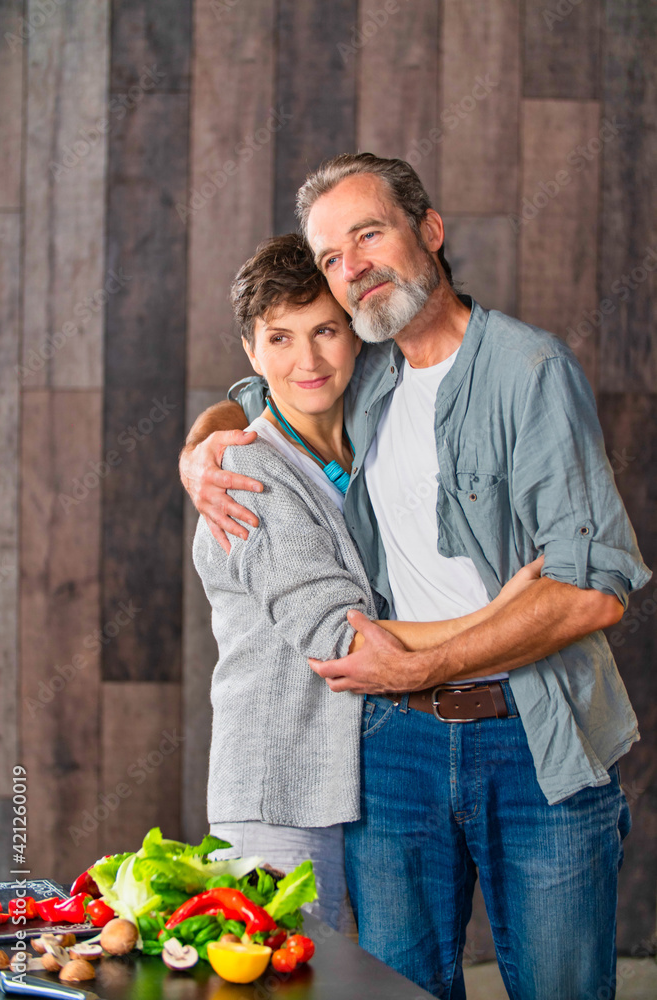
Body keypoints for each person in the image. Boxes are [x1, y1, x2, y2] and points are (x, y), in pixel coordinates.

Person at [180, 154, 651, 998]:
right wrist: (200, 445)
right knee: (398, 989)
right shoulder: (368, 375)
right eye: (332, 256)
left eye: (369, 234)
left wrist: (425, 661)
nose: (352, 267)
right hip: (393, 749)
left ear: (429, 231)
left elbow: (595, 587)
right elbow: (267, 390)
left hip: (531, 734)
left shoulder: (527, 372)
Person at [191, 232, 542, 936]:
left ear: (356, 335)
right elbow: (339, 639)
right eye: (280, 340)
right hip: (281, 790)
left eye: (324, 330)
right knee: (275, 978)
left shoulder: (374, 440)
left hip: (366, 779)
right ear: (252, 354)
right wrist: (510, 618)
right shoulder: (247, 477)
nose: (308, 361)